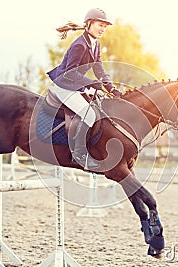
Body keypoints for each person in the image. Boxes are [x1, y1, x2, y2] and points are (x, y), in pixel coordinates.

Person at [46, 8, 121, 169]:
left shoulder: (95, 44)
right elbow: (69, 74)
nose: (102, 29)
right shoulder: (79, 45)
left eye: (104, 27)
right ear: (89, 24)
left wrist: (112, 89)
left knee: (99, 108)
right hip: (63, 85)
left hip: (75, 86)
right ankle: (79, 154)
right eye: (100, 25)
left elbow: (99, 70)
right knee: (89, 116)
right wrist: (92, 83)